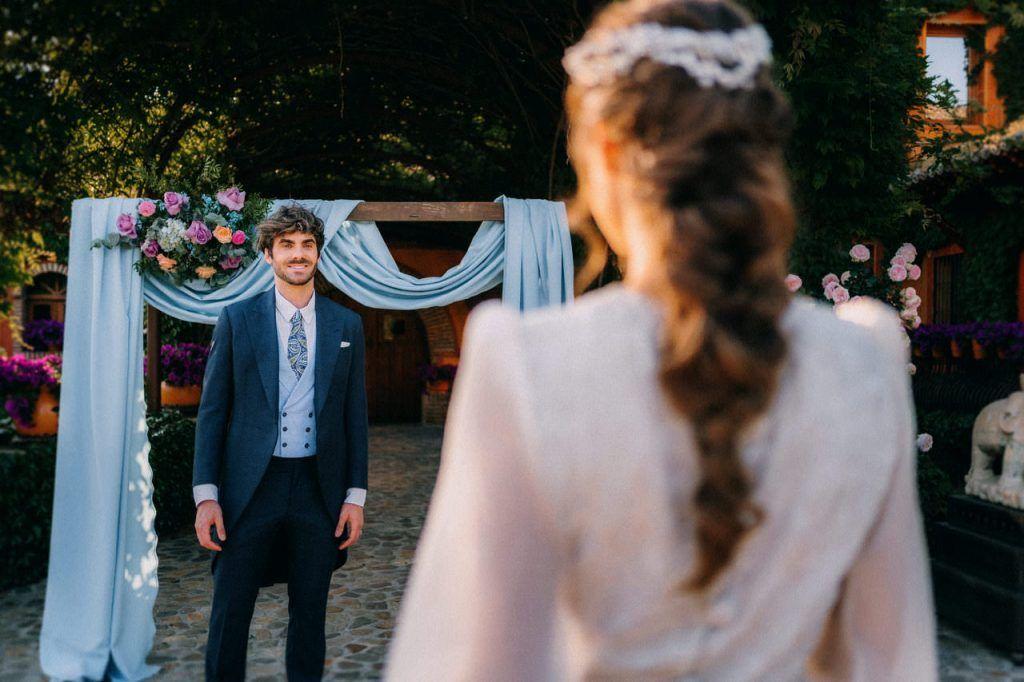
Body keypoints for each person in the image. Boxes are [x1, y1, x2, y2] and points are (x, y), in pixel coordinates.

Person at [386, 1, 937, 679]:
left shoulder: (526, 364)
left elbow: (484, 665)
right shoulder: (865, 361)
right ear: (757, 152)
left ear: (607, 152)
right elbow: (891, 659)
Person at [192, 204, 369, 681]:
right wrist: (206, 497)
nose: (298, 253)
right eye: (287, 244)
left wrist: (355, 496)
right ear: (268, 254)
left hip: (317, 490)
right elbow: (212, 412)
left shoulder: (345, 325)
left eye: (307, 244)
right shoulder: (237, 319)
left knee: (311, 616)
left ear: (317, 254)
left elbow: (356, 417)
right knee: (231, 612)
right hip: (251, 489)